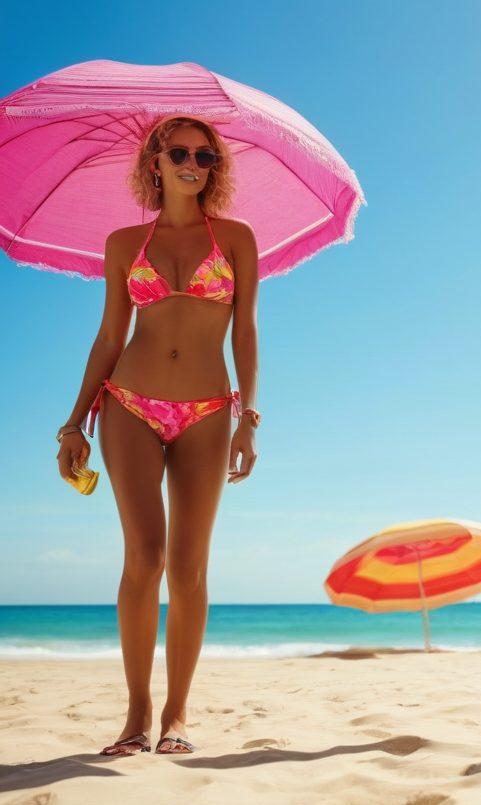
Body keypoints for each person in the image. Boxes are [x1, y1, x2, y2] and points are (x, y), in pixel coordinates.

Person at [54, 116, 261, 756]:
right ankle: (137, 713)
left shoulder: (235, 237)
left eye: (205, 155)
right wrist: (74, 421)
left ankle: (176, 715)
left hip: (207, 410)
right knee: (144, 558)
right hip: (128, 404)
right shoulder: (123, 243)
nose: (192, 163)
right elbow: (109, 336)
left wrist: (249, 416)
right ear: (156, 162)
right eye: (179, 153)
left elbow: (245, 330)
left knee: (188, 568)